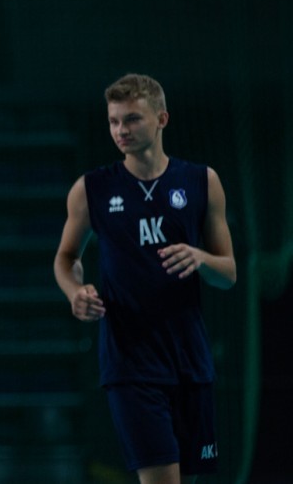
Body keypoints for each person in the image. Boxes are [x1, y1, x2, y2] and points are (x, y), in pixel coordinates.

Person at [53, 73, 236, 484]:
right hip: (130, 363)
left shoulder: (202, 181)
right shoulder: (92, 189)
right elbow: (66, 258)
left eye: (132, 119)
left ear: (161, 119)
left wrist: (200, 258)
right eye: (114, 121)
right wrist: (74, 291)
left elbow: (228, 273)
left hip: (190, 361)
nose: (121, 130)